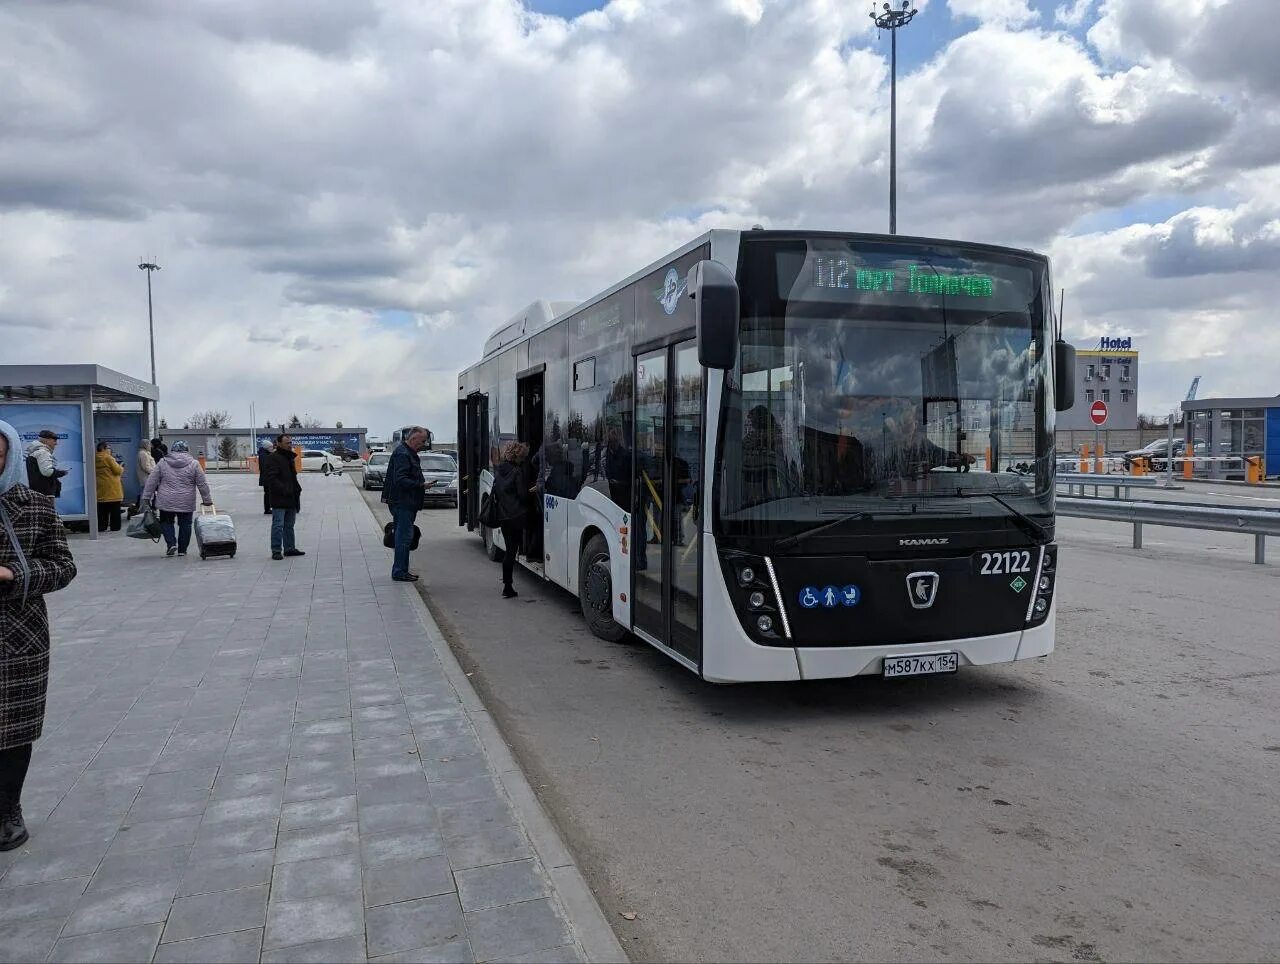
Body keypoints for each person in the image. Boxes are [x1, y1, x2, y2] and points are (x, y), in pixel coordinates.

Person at [0, 419, 78, 851]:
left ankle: (8, 809)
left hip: (16, 634)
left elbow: (64, 566)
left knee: (11, 728)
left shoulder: (33, 506)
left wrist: (14, 573)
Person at [140, 440, 212, 557]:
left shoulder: (163, 462)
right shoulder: (194, 464)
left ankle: (171, 544)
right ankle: (182, 550)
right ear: (187, 450)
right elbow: (202, 483)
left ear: (172, 450)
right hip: (186, 501)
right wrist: (207, 500)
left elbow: (151, 481)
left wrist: (147, 497)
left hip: (166, 500)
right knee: (185, 524)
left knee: (166, 522)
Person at [382, 426, 428, 582]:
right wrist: (420, 485)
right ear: (413, 438)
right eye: (422, 441)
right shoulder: (403, 453)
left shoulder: (407, 452)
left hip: (405, 502)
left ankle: (401, 570)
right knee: (403, 538)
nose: (423, 444)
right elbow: (400, 479)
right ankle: (400, 572)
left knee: (404, 537)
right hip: (403, 502)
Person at [491, 441, 530, 598]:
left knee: (509, 550)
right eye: (522, 457)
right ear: (517, 456)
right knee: (513, 551)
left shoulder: (499, 470)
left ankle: (507, 584)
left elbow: (495, 491)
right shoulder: (517, 472)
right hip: (516, 516)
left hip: (504, 516)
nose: (523, 459)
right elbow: (522, 495)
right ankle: (508, 587)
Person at [260, 434, 305, 561]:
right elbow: (271, 478)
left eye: (290, 442)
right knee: (278, 525)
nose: (290, 445)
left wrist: (297, 489)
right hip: (279, 497)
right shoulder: (273, 458)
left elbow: (292, 477)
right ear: (279, 444)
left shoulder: (289, 457)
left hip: (291, 496)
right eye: (287, 443)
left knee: (289, 524)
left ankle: (290, 548)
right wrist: (284, 489)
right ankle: (276, 550)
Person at [24, 430, 68, 499]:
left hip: (37, 492)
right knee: (48, 510)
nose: (56, 443)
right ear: (47, 440)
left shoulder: (35, 452)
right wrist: (61, 473)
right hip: (46, 494)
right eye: (54, 440)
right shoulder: (43, 452)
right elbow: (47, 472)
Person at [93, 441, 125, 533]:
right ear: (103, 448)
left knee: (102, 510)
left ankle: (102, 526)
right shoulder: (108, 458)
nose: (110, 450)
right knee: (115, 510)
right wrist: (121, 466)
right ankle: (115, 527)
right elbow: (117, 471)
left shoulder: (95, 458)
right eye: (109, 448)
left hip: (100, 487)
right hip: (112, 488)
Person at [133, 441, 155, 516]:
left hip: (147, 478)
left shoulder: (144, 453)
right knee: (146, 496)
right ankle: (144, 513)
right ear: (145, 445)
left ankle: (146, 512)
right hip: (146, 478)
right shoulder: (143, 454)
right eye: (149, 444)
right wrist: (155, 472)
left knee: (147, 496)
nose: (150, 446)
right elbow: (146, 467)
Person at [257, 440, 274, 515]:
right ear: (267, 447)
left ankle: (268, 508)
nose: (272, 448)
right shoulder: (264, 455)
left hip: (266, 477)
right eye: (270, 447)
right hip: (267, 477)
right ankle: (267, 509)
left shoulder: (265, 453)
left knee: (268, 493)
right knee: (268, 494)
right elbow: (265, 467)